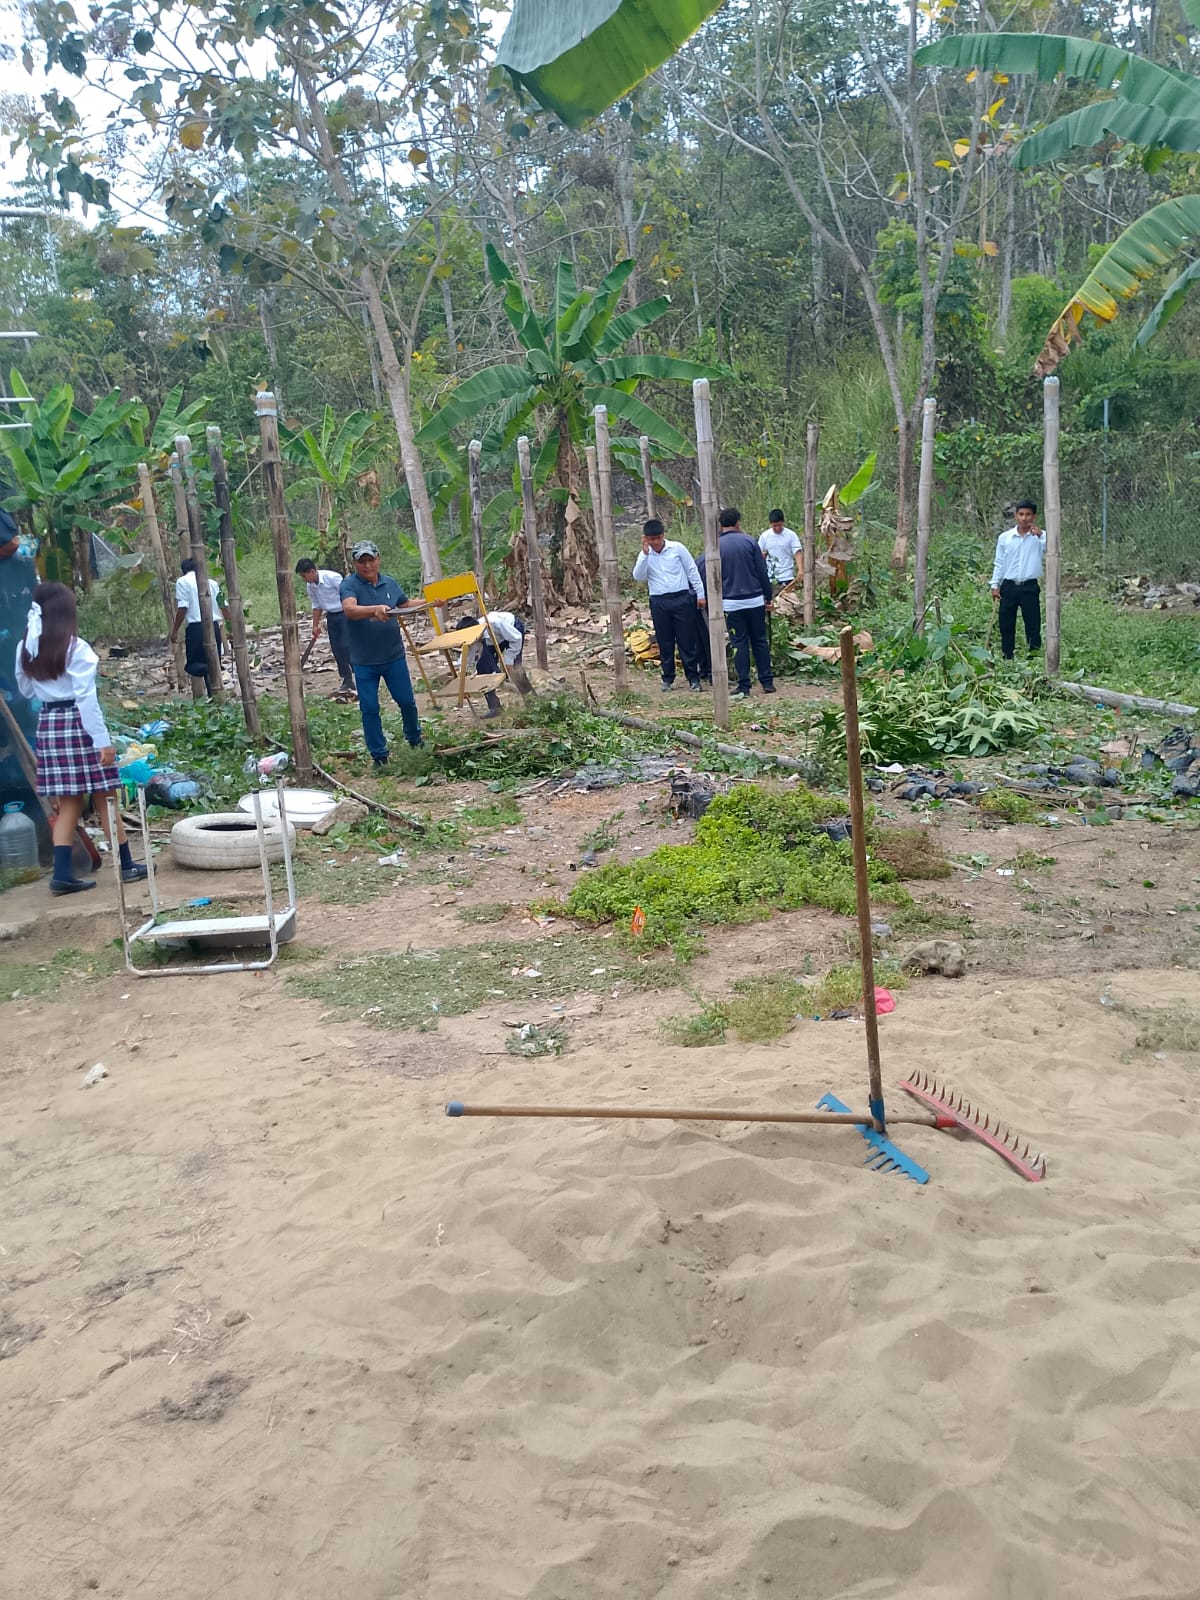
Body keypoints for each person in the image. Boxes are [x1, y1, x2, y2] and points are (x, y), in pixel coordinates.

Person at [14, 581, 148, 896]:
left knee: (69, 802)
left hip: (50, 724)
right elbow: (87, 699)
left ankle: (62, 875)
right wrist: (103, 742)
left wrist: (49, 689)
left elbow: (26, 690)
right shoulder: (76, 648)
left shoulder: (26, 648)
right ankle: (126, 865)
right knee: (106, 797)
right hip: (79, 723)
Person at [339, 540, 424, 765]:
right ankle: (379, 755)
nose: (367, 565)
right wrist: (374, 610)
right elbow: (349, 609)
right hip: (364, 660)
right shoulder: (349, 585)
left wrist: (431, 602)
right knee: (369, 708)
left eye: (371, 560)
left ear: (379, 559)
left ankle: (415, 738)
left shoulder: (390, 583)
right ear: (355, 563)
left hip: (393, 656)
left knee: (407, 701)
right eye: (362, 561)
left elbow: (404, 604)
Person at [631, 518, 707, 691]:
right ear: (645, 539)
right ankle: (667, 678)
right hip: (659, 601)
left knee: (687, 640)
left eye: (658, 538)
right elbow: (638, 576)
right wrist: (645, 554)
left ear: (663, 535)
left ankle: (693, 678)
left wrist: (700, 594)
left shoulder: (677, 548)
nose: (656, 542)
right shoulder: (645, 555)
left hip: (681, 599)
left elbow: (692, 571)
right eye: (651, 539)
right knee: (665, 641)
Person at [719, 508, 775, 698]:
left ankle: (744, 685)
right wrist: (768, 596)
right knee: (759, 640)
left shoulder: (716, 546)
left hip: (731, 604)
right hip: (754, 600)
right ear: (737, 522)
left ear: (721, 525)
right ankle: (767, 681)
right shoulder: (750, 541)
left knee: (739, 643)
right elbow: (762, 571)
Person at [990, 498, 1045, 660]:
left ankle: (1034, 658)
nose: (1024, 518)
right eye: (1021, 514)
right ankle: (1007, 657)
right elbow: (999, 562)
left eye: (1028, 515)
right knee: (1006, 624)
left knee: (1033, 624)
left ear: (1034, 516)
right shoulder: (1005, 538)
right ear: (1015, 516)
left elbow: (1052, 550)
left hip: (1029, 586)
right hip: (1009, 586)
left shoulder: (1040, 537)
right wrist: (995, 584)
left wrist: (1041, 535)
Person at [170, 559, 229, 696]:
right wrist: (232, 626)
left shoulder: (182, 582)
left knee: (195, 665)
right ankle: (215, 696)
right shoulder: (212, 583)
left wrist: (175, 630)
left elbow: (183, 607)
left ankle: (212, 695)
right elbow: (223, 606)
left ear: (184, 570)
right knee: (213, 663)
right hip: (214, 626)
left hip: (196, 628)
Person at [295, 557, 354, 695]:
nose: (304, 579)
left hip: (345, 614)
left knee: (347, 646)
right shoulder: (311, 586)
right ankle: (347, 680)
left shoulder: (332, 578)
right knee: (337, 649)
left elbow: (347, 595)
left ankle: (360, 675)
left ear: (312, 571)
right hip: (331, 616)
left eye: (304, 576)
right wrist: (315, 625)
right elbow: (316, 605)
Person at [458, 610, 533, 715]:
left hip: (512, 631)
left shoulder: (495, 623)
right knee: (483, 669)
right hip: (491, 641)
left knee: (515, 669)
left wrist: (509, 660)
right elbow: (467, 655)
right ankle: (495, 707)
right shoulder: (471, 635)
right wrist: (461, 673)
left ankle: (532, 700)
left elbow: (516, 638)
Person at [758, 509, 802, 588]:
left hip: (787, 576)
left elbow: (797, 553)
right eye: (774, 526)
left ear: (783, 522)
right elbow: (758, 554)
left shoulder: (791, 535)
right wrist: (762, 556)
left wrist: (801, 570)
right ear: (770, 524)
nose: (778, 528)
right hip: (771, 577)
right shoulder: (765, 536)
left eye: (780, 525)